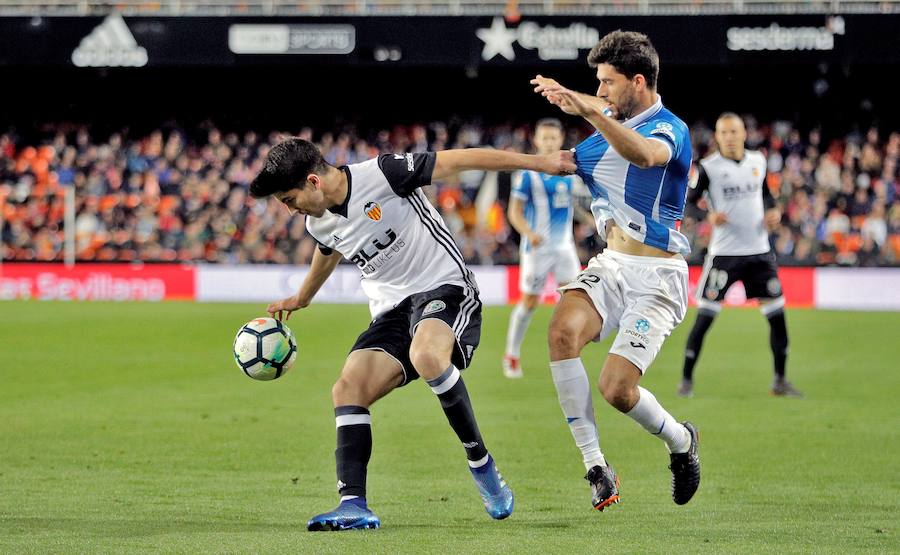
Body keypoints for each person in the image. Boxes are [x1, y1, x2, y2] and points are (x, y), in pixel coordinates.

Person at [250, 138, 575, 530]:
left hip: (445, 287)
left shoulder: (384, 173)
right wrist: (303, 297)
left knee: (428, 355)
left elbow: (463, 160)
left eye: (289, 198)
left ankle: (481, 463)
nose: (289, 209)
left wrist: (539, 163)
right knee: (348, 389)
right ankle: (353, 504)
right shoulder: (317, 220)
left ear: (314, 181)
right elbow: (327, 248)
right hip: (392, 310)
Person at [531, 29, 700, 512]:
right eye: (597, 84)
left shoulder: (671, 128)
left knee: (616, 390)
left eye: (607, 82)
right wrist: (573, 101)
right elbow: (578, 145)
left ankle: (681, 442)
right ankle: (595, 466)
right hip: (612, 264)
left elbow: (644, 155)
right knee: (561, 331)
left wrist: (583, 108)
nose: (601, 92)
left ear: (639, 82)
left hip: (658, 279)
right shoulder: (607, 120)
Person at [679, 113, 802, 398]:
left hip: (760, 253)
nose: (729, 137)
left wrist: (774, 211)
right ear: (717, 137)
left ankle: (780, 380)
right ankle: (686, 379)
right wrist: (707, 214)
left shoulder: (758, 161)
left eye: (734, 131)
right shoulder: (708, 167)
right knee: (705, 318)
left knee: (777, 316)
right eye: (723, 133)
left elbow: (767, 195)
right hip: (725, 255)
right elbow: (689, 205)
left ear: (744, 134)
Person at [503, 118, 586, 379]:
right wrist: (529, 233)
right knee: (529, 302)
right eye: (544, 138)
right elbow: (513, 213)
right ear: (536, 141)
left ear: (560, 140)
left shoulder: (570, 171)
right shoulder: (527, 174)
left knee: (573, 300)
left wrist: (590, 219)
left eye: (553, 138)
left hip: (564, 248)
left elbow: (573, 206)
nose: (549, 142)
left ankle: (566, 354)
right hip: (537, 249)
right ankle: (512, 355)